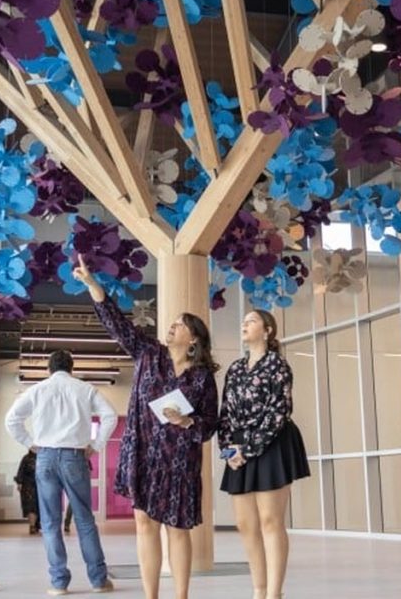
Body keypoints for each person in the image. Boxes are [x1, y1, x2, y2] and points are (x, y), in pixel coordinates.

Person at [73, 255, 219, 599]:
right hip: (143, 455)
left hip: (180, 461)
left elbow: (210, 424)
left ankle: (180, 595)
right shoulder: (148, 353)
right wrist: (94, 285)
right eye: (173, 323)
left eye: (181, 325)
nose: (172, 327)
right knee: (144, 524)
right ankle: (150, 595)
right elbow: (117, 325)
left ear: (194, 339)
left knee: (177, 528)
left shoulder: (202, 378)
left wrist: (187, 421)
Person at [6, 349, 118, 595]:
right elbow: (110, 416)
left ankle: (59, 583)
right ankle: (98, 580)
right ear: (71, 367)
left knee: (50, 522)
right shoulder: (84, 389)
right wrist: (96, 446)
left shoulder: (36, 390)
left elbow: (11, 419)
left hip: (44, 457)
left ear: (49, 368)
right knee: (85, 520)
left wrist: (30, 443)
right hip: (74, 457)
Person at [218, 310, 309, 599]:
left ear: (267, 331)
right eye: (243, 321)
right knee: (246, 525)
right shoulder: (235, 368)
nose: (244, 324)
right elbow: (226, 413)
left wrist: (249, 448)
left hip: (272, 444)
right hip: (239, 448)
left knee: (271, 520)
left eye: (251, 321)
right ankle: (258, 588)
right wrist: (229, 450)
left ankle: (273, 592)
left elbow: (279, 411)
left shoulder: (278, 366)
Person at [15, 449, 41, 534]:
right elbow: (20, 472)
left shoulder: (42, 457)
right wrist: (19, 483)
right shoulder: (26, 458)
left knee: (37, 506)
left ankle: (36, 525)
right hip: (29, 486)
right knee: (32, 506)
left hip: (39, 485)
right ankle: (32, 526)